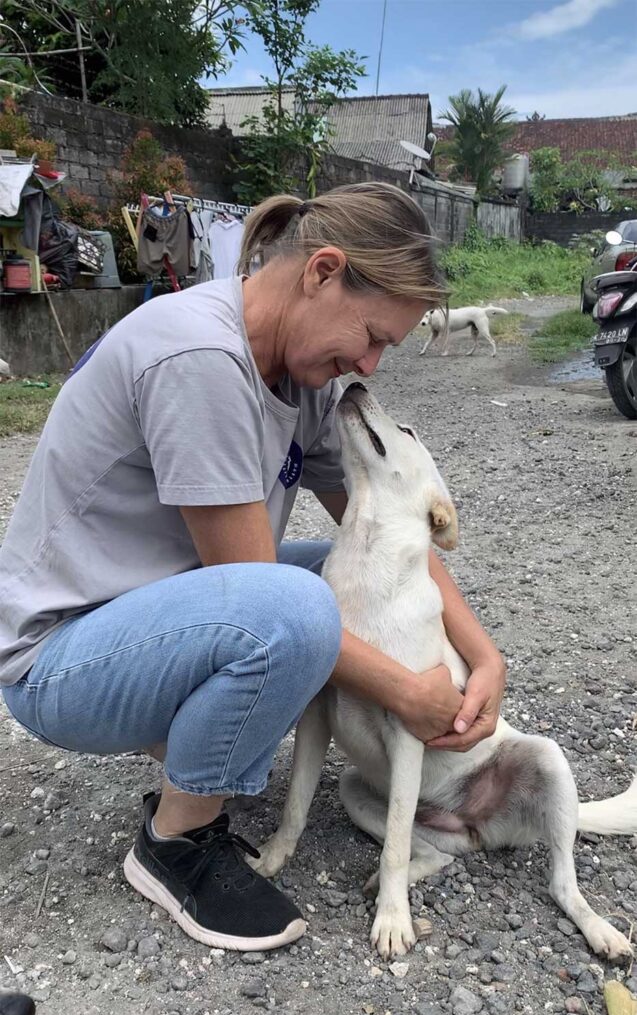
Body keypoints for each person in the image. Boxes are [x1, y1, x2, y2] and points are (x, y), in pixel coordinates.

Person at [0, 183, 505, 952]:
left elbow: (392, 537)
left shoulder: (303, 376)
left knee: (340, 572)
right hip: (60, 661)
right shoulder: (200, 359)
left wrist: (481, 656)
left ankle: (201, 739)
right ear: (321, 272)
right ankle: (175, 843)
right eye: (372, 336)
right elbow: (258, 592)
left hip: (147, 616)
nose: (368, 363)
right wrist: (410, 694)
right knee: (296, 607)